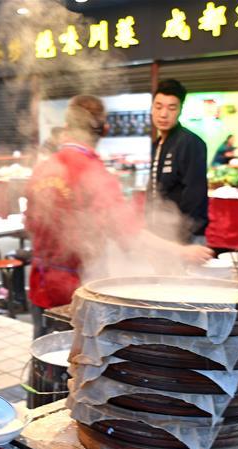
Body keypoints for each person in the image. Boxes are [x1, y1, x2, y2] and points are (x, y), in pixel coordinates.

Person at [26, 94, 213, 337]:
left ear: (67, 127)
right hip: (76, 289)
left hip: (40, 284)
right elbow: (128, 233)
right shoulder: (95, 173)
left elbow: (31, 224)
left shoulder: (43, 168)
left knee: (43, 357)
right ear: (105, 129)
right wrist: (182, 250)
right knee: (73, 363)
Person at [148, 79, 209, 242]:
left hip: (186, 236)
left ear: (181, 110)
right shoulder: (156, 145)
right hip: (161, 234)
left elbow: (195, 197)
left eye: (171, 108)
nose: (163, 114)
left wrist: (181, 236)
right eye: (158, 106)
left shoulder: (191, 143)